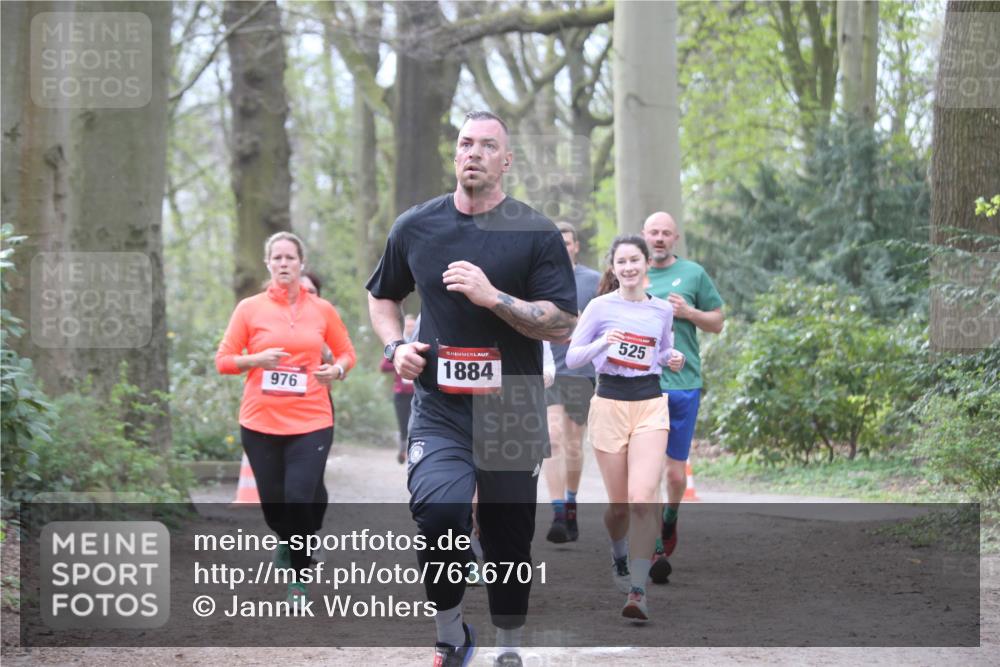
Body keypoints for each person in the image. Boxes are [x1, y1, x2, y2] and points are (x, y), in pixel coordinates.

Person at [366, 110, 577, 667]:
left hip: (513, 409)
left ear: (506, 161)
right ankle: (451, 631)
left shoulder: (535, 232)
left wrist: (492, 298)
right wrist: (395, 348)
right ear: (455, 155)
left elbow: (561, 322)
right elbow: (383, 295)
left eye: (488, 145)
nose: (474, 153)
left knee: (509, 538)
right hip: (441, 408)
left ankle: (509, 647)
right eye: (465, 143)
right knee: (438, 514)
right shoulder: (416, 226)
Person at [216, 232, 356, 601]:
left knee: (299, 496)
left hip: (311, 419)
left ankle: (298, 575)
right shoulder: (250, 308)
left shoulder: (322, 310)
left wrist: (336, 371)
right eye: (276, 257)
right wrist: (255, 360)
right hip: (260, 420)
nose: (283, 263)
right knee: (275, 506)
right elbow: (224, 361)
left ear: (301, 263)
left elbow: (346, 354)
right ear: (267, 263)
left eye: (289, 258)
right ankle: (289, 540)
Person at [565, 234, 684, 622]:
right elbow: (573, 355)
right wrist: (602, 342)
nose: (629, 268)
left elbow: (661, 351)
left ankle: (637, 589)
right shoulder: (599, 307)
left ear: (646, 263)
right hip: (610, 404)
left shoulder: (662, 310)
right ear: (613, 268)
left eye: (635, 260)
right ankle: (618, 555)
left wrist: (673, 357)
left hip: (650, 403)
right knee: (618, 507)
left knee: (641, 499)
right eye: (622, 262)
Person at [641, 211, 724, 584]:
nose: (659, 238)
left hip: (684, 383)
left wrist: (688, 312)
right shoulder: (632, 274)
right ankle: (655, 545)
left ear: (675, 238)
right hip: (642, 386)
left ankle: (670, 517)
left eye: (666, 233)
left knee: (675, 475)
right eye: (653, 232)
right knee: (647, 472)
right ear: (644, 236)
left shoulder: (693, 274)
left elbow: (718, 322)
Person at [542, 221, 601, 543]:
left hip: (581, 371)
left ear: (576, 246)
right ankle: (558, 513)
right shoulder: (539, 279)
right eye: (558, 243)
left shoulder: (592, 281)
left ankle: (571, 501)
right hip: (550, 369)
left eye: (568, 242)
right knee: (552, 438)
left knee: (573, 443)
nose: (563, 248)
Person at [381, 313, 418, 464]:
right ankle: (402, 450)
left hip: (417, 394)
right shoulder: (398, 346)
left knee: (414, 423)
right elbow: (383, 366)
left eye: (412, 326)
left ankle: (413, 451)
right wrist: (399, 361)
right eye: (407, 325)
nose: (409, 328)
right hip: (400, 393)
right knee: (403, 424)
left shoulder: (421, 344)